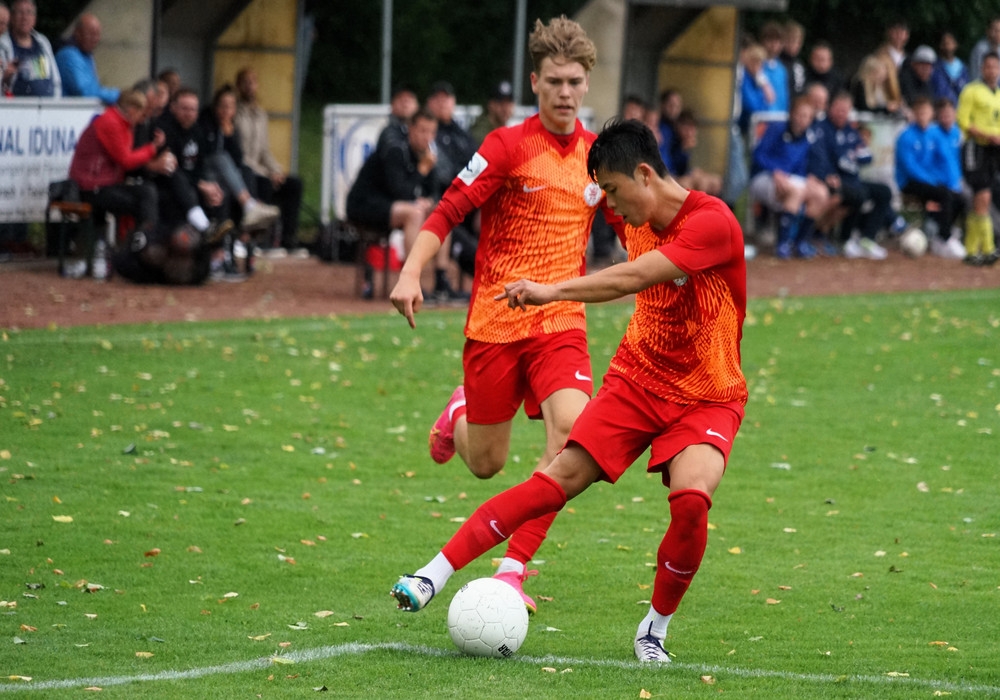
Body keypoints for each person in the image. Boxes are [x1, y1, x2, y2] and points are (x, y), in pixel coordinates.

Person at [391, 119, 747, 665]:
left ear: (645, 175)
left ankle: (653, 630)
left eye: (612, 190)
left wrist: (550, 291)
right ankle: (432, 574)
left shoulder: (712, 223)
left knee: (692, 498)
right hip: (637, 381)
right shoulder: (633, 212)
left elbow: (630, 277)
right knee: (555, 478)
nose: (608, 204)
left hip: (707, 393)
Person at [388, 16, 611, 613]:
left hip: (559, 323)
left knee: (573, 436)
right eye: (554, 81)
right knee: (487, 464)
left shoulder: (598, 158)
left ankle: (513, 569)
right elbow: (446, 211)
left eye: (575, 82)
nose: (565, 92)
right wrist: (411, 272)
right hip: (495, 324)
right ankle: (458, 411)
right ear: (535, 82)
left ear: (587, 85)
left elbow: (634, 227)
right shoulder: (506, 146)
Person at [346, 108, 447, 294]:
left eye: (432, 132)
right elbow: (400, 192)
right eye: (423, 131)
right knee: (414, 214)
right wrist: (422, 170)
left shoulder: (426, 154)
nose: (427, 137)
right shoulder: (396, 150)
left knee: (443, 212)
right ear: (411, 129)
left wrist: (429, 200)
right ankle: (411, 281)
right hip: (365, 204)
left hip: (393, 206)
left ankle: (442, 280)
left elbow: (434, 192)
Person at [68, 88, 162, 269]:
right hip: (92, 186)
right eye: (141, 113)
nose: (142, 119)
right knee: (141, 203)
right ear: (132, 110)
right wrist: (152, 149)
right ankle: (142, 250)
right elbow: (125, 160)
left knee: (147, 192)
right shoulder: (110, 123)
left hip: (105, 184)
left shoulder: (121, 123)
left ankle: (145, 244)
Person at [749, 96, 830, 259]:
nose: (802, 120)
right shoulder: (777, 129)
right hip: (764, 176)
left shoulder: (807, 138)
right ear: (792, 114)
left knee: (821, 193)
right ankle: (782, 244)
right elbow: (758, 155)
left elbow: (802, 166)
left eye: (806, 116)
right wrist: (775, 170)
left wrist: (809, 177)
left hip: (790, 179)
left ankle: (800, 242)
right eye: (799, 115)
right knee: (796, 192)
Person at [235, 66, 305, 252]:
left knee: (294, 184)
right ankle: (260, 240)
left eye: (253, 82)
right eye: (245, 82)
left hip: (261, 169)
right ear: (239, 86)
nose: (250, 86)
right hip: (244, 170)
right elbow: (240, 154)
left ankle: (289, 240)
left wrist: (276, 171)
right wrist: (267, 173)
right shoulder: (235, 113)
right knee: (265, 183)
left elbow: (264, 151)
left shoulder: (261, 114)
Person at [815, 91, 890, 260]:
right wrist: (831, 171)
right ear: (830, 108)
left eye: (845, 110)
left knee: (884, 192)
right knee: (858, 195)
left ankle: (867, 240)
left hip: (852, 180)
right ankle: (844, 239)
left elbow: (866, 155)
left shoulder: (850, 130)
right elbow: (824, 157)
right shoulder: (822, 129)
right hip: (832, 180)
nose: (842, 114)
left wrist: (850, 156)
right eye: (839, 109)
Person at [895, 96, 966, 259]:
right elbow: (910, 167)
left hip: (930, 180)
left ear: (931, 114)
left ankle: (939, 232)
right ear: (914, 114)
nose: (923, 117)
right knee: (944, 194)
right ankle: (944, 238)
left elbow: (942, 160)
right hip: (909, 182)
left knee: (958, 198)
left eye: (926, 113)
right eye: (920, 113)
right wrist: (932, 180)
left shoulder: (932, 134)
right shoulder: (906, 136)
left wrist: (949, 181)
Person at [956, 53, 1000, 265]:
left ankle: (971, 250)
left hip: (994, 151)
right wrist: (986, 135)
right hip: (976, 147)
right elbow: (963, 121)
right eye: (988, 66)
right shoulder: (971, 91)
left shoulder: (998, 94)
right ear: (982, 68)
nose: (992, 70)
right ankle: (989, 248)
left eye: (995, 67)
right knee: (983, 196)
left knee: (982, 200)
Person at [0, 0, 60, 97]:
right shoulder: (3, 45)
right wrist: (5, 76)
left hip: (48, 104)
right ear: (12, 17)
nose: (25, 17)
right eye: (20, 12)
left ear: (35, 18)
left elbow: (55, 77)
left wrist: (57, 100)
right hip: (16, 105)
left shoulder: (43, 42)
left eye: (29, 12)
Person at [55, 13, 119, 104]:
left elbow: (95, 88)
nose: (95, 39)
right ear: (77, 33)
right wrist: (118, 95)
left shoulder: (86, 54)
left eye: (97, 34)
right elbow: (84, 92)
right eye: (91, 34)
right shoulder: (69, 54)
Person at [670, 109, 722, 196]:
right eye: (686, 128)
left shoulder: (692, 141)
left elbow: (693, 167)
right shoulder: (672, 139)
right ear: (678, 126)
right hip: (672, 175)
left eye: (692, 128)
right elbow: (674, 167)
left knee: (716, 181)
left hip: (686, 173)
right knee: (697, 185)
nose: (689, 132)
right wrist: (683, 151)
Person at [469, 80, 516, 146]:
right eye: (501, 103)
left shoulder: (506, 131)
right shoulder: (481, 133)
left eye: (508, 103)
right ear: (491, 105)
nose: (505, 108)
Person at [759, 22, 790, 114]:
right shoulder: (757, 66)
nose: (774, 45)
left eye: (777, 41)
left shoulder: (782, 69)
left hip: (779, 117)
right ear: (762, 42)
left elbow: (784, 97)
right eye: (770, 40)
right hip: (761, 117)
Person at [376, 83, 419, 151]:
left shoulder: (428, 130)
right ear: (392, 105)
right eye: (400, 99)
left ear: (417, 106)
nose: (405, 104)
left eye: (409, 100)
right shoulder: (384, 128)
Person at [932, 32, 969, 104]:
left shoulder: (963, 67)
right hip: (942, 106)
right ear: (941, 45)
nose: (948, 46)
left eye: (950, 43)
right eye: (945, 43)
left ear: (956, 44)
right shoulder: (936, 67)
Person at [780, 19, 807, 97]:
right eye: (791, 41)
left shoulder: (799, 64)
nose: (795, 45)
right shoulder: (776, 63)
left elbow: (801, 88)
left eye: (798, 42)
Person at [968, 17, 1000, 82]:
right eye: (995, 30)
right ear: (988, 31)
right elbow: (977, 75)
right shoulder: (980, 49)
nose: (998, 34)